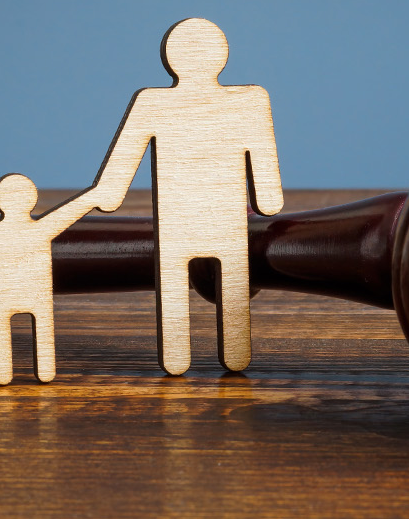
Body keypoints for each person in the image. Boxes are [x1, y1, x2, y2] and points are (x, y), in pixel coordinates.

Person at [91, 18, 283, 374]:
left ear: (171, 57)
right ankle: (233, 353)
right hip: (223, 217)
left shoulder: (153, 102)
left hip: (180, 218)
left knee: (176, 284)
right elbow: (266, 178)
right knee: (231, 279)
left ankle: (180, 359)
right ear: (222, 56)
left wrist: (109, 196)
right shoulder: (249, 101)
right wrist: (267, 200)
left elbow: (120, 168)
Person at [0, 174, 114, 385]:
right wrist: (98, 195)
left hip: (14, 293)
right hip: (28, 293)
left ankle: (13, 373)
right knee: (32, 328)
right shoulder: (42, 227)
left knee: (8, 330)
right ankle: (35, 371)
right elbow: (79, 206)